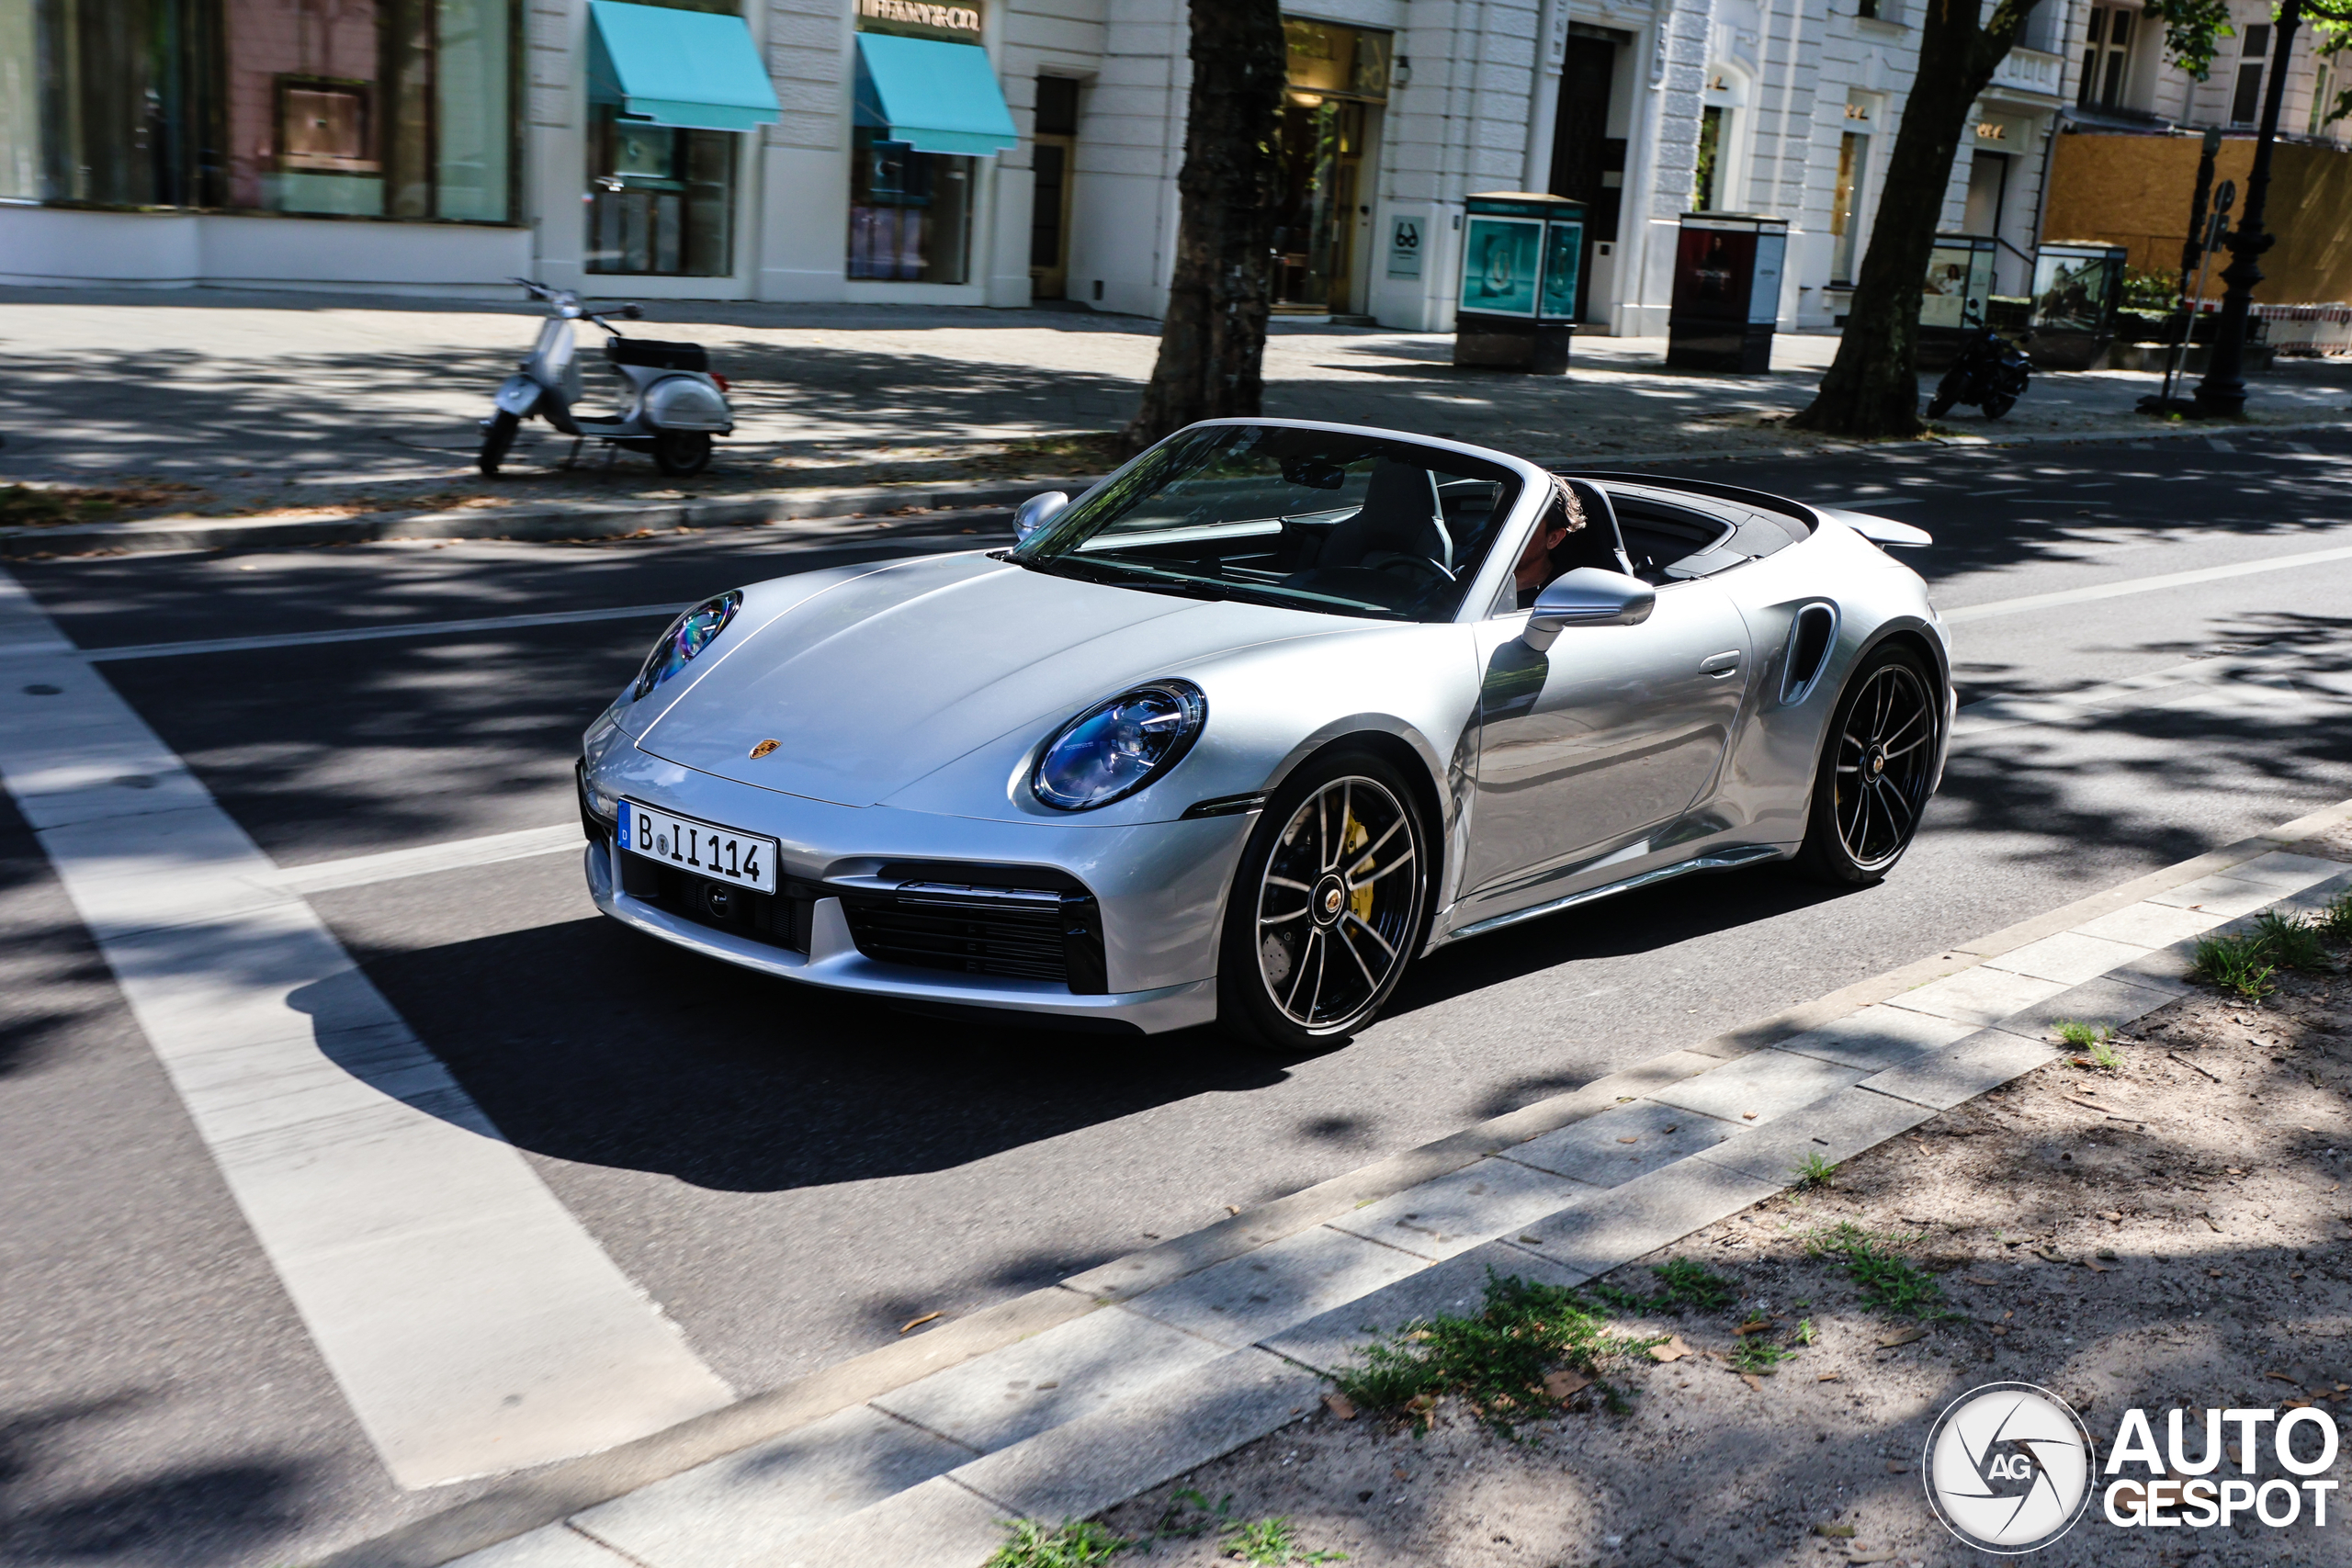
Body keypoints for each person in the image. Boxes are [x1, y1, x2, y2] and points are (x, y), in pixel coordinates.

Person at [1513, 478, 1588, 609]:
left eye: (1522, 523)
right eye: (1502, 517)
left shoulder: (1563, 599)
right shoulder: (1470, 573)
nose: (1504, 528)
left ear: (1553, 538)